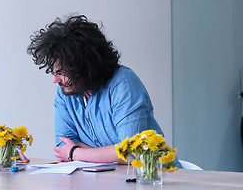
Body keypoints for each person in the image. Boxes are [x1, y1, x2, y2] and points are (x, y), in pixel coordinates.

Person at [27, 15, 178, 165]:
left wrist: (77, 152)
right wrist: (108, 152)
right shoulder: (65, 92)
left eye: (60, 73)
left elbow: (131, 152)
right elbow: (63, 147)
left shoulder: (123, 84)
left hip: (156, 179)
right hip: (108, 179)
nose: (55, 80)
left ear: (84, 67)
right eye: (54, 72)